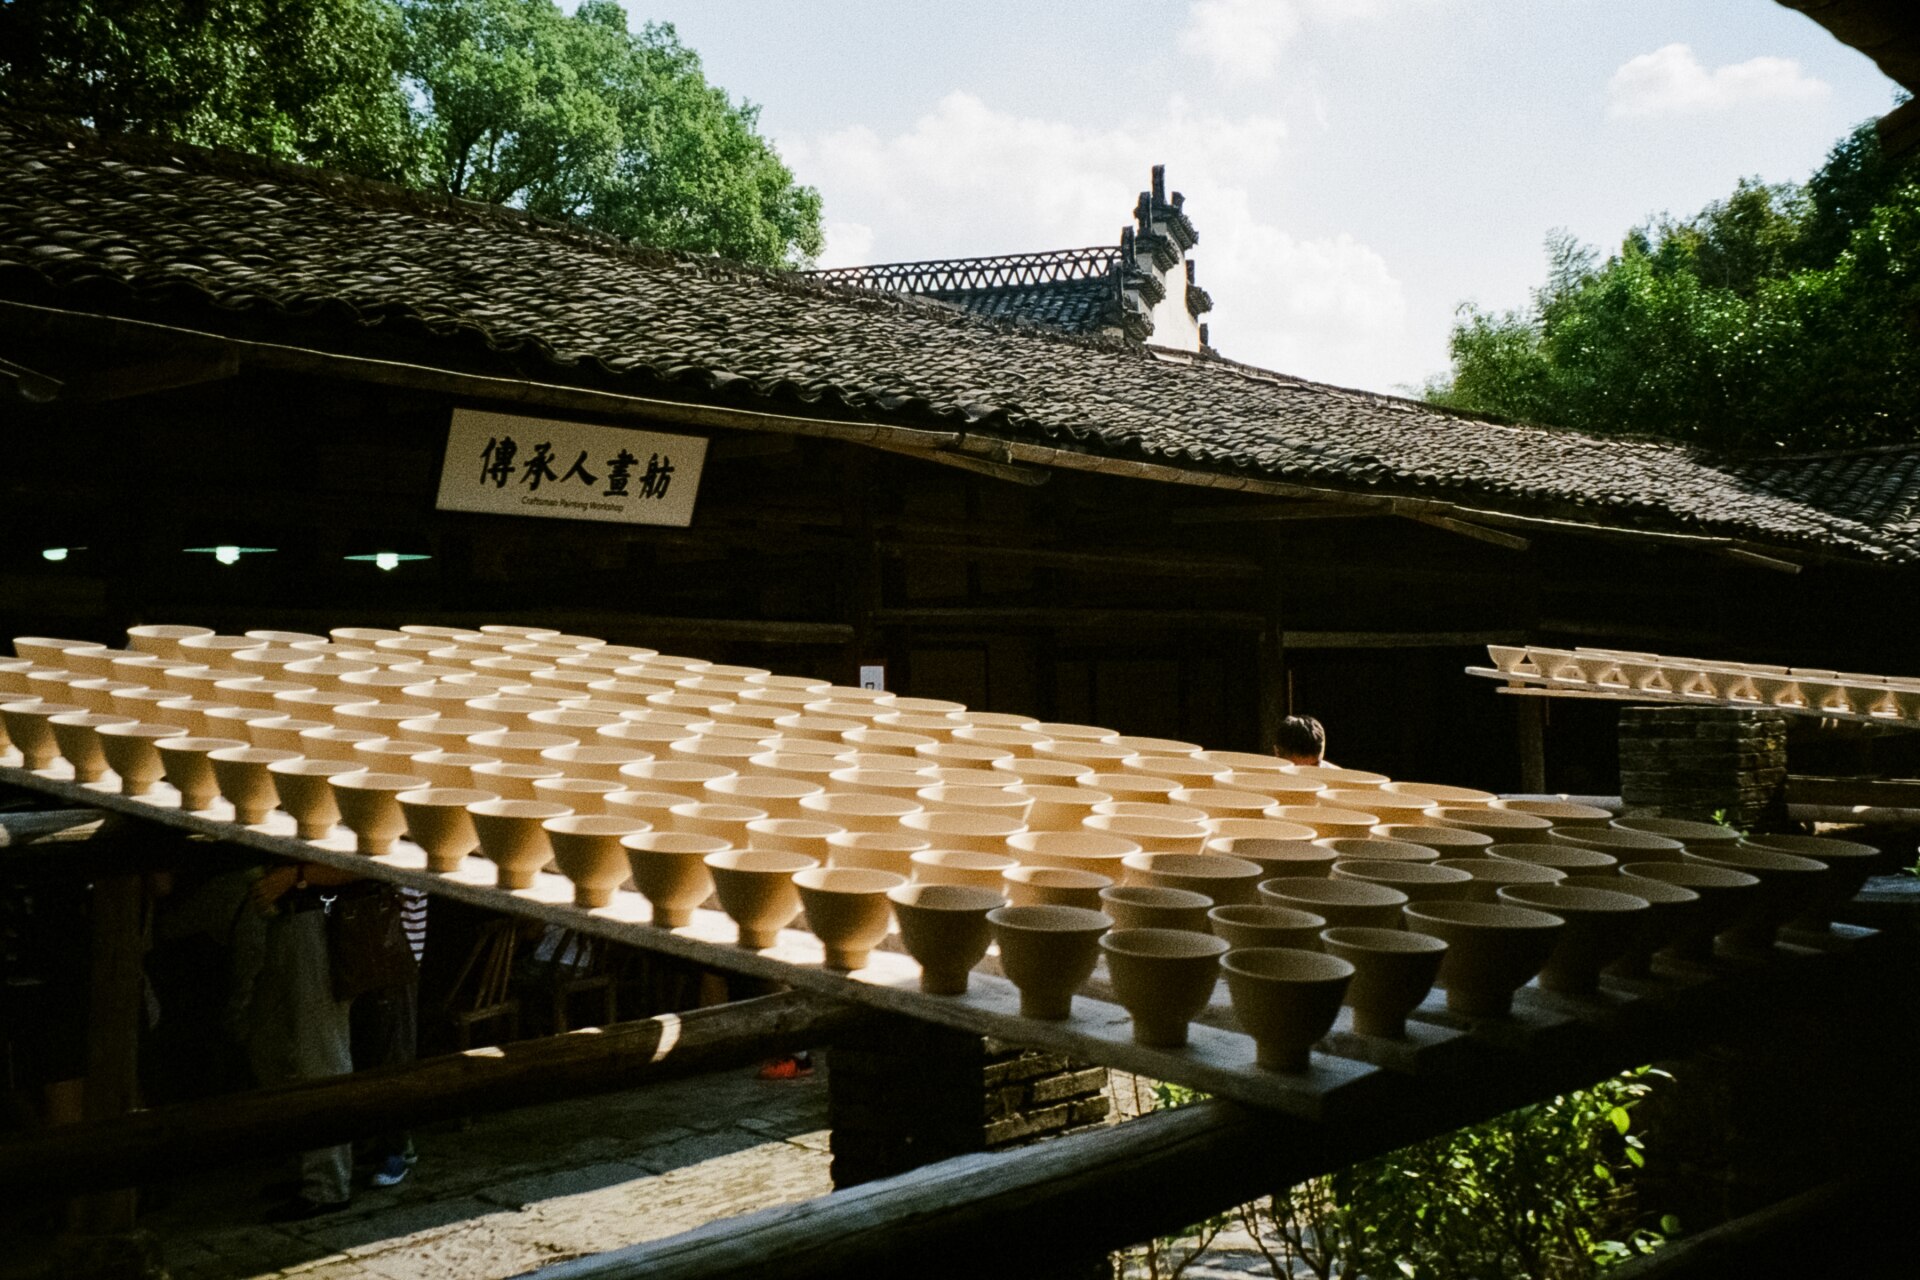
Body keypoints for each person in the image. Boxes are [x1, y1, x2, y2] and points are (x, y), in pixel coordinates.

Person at [234, 859, 361, 1221]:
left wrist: (296, 877)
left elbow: (368, 863)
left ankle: (328, 1184)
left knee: (321, 1054)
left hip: (322, 918)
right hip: (286, 918)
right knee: (267, 1045)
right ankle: (306, 1166)